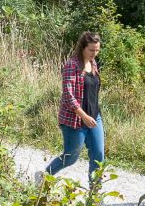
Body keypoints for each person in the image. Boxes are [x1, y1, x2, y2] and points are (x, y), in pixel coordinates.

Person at [45, 30, 104, 179]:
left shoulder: (93, 63)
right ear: (82, 47)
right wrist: (83, 116)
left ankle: (94, 196)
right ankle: (45, 176)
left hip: (94, 117)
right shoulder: (72, 65)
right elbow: (68, 96)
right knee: (70, 157)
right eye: (91, 50)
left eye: (97, 50)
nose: (94, 53)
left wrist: (91, 115)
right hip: (75, 120)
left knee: (99, 155)